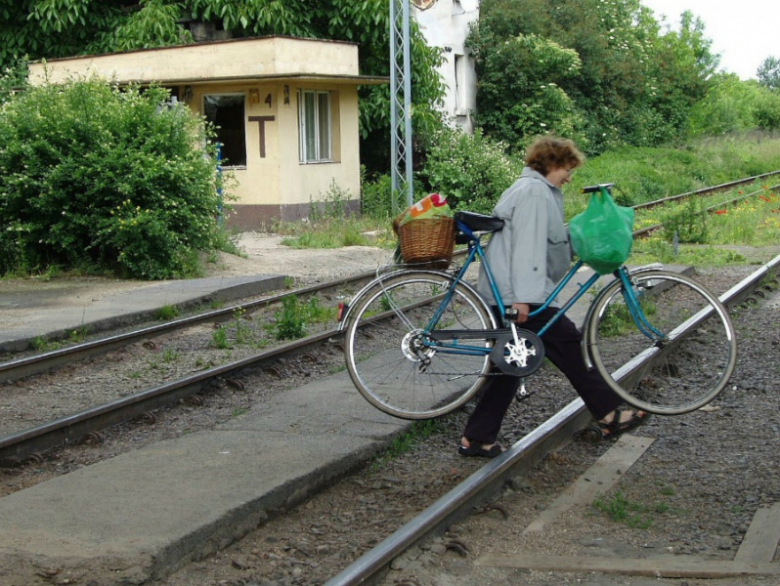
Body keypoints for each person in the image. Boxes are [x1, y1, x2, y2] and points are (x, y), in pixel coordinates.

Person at [458, 136, 647, 458]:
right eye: (567, 169)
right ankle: (609, 413)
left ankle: (477, 438)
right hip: (519, 293)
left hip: (515, 289)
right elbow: (529, 249)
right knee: (569, 347)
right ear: (552, 163)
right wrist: (523, 300)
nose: (570, 177)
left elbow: (547, 241)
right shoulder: (534, 193)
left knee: (513, 363)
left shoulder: (536, 190)